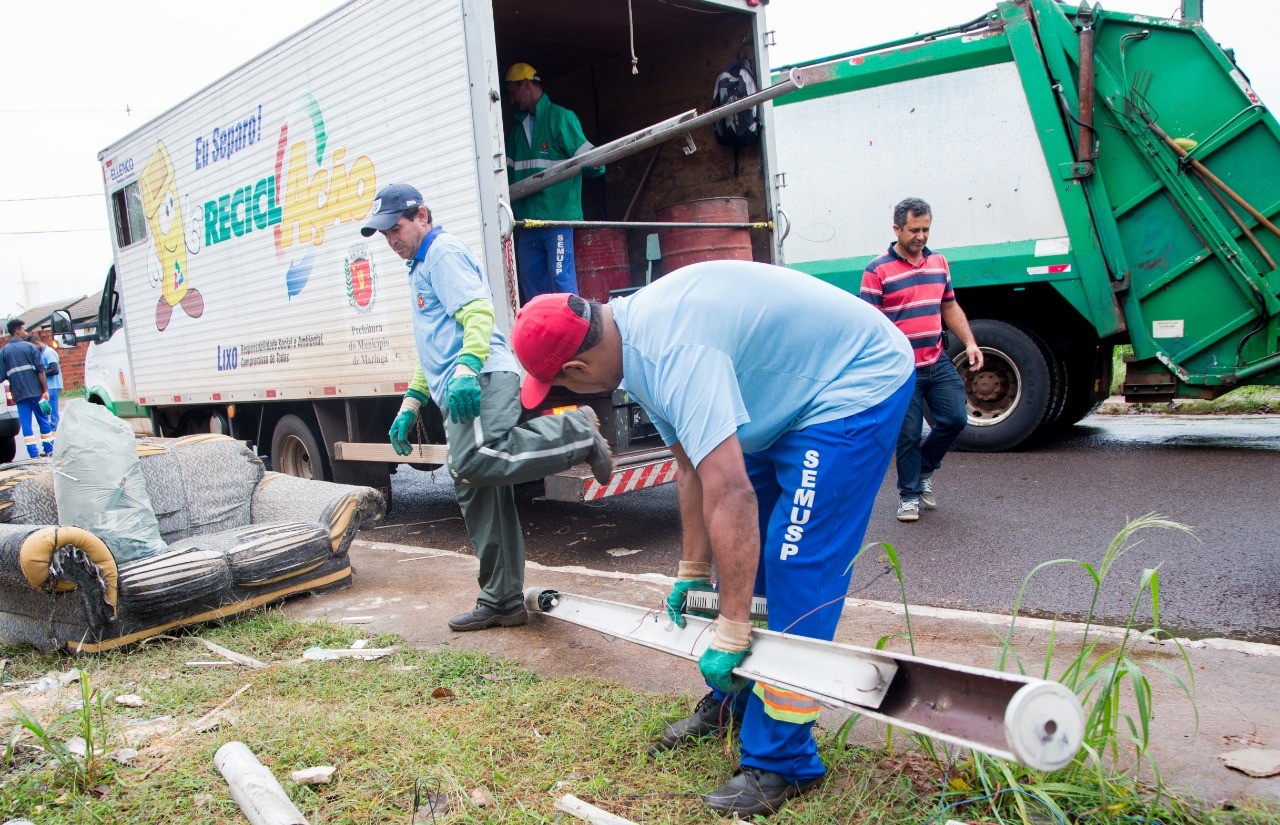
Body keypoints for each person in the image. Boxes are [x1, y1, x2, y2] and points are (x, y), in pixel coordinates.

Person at [509, 261, 914, 817]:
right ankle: (738, 698)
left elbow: (733, 496)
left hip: (852, 385)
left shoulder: (673, 354)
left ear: (577, 366)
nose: (566, 389)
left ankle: (783, 760)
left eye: (560, 382)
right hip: (786, 397)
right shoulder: (633, 345)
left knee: (797, 560)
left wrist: (731, 626)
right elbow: (691, 469)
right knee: (747, 561)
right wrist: (692, 571)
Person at [361, 183, 613, 632]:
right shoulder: (419, 266)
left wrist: (466, 368)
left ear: (422, 215)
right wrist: (411, 402)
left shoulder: (441, 253)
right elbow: (432, 346)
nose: (391, 239)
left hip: (480, 378)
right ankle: (502, 600)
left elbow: (477, 314)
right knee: (475, 486)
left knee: (474, 461)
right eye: (384, 234)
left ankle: (576, 432)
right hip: (461, 380)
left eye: (396, 228)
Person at [860, 198, 983, 523]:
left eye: (926, 229)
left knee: (956, 418)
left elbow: (950, 306)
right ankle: (909, 496)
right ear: (897, 229)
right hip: (901, 369)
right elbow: (869, 324)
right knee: (909, 434)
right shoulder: (877, 270)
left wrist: (970, 342)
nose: (921, 236)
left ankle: (925, 469)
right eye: (914, 230)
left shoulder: (939, 263)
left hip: (937, 359)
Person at [504, 62, 605, 300]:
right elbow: (505, 177)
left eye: (513, 92)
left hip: (556, 218)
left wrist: (597, 163)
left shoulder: (561, 118)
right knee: (532, 285)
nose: (511, 100)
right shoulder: (517, 130)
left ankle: (574, 332)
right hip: (527, 222)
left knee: (561, 281)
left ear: (526, 85)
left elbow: (592, 161)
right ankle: (543, 335)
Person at [1, 320, 54, 458]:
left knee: (26, 424)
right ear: (17, 331)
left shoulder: (4, 352)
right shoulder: (31, 347)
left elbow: (1, 376)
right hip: (36, 393)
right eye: (24, 330)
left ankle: (33, 454)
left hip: (19, 394)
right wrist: (45, 390)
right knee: (43, 420)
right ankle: (49, 449)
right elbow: (40, 371)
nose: (26, 333)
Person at [30, 331, 62, 431]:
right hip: (49, 387)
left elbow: (54, 370)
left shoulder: (48, 352)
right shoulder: (43, 353)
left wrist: (39, 374)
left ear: (37, 344)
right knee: (48, 412)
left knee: (52, 413)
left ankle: (55, 433)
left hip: (52, 386)